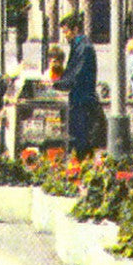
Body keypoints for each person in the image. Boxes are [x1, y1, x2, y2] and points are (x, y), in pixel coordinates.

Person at [54, 13, 98, 158]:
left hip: (82, 98)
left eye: (66, 31)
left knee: (80, 137)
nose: (65, 35)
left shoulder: (83, 47)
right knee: (78, 136)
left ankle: (81, 165)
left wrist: (58, 84)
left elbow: (76, 73)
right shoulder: (78, 45)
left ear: (76, 29)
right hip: (78, 97)